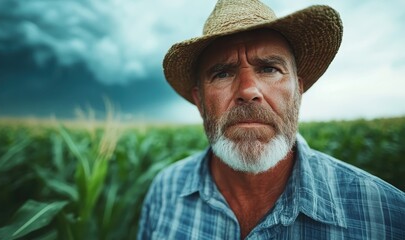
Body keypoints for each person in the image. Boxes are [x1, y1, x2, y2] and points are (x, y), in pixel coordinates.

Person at [138, 0, 405, 239]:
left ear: (297, 90)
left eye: (269, 68)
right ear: (200, 101)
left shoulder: (386, 215)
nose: (247, 91)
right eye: (222, 73)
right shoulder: (165, 191)